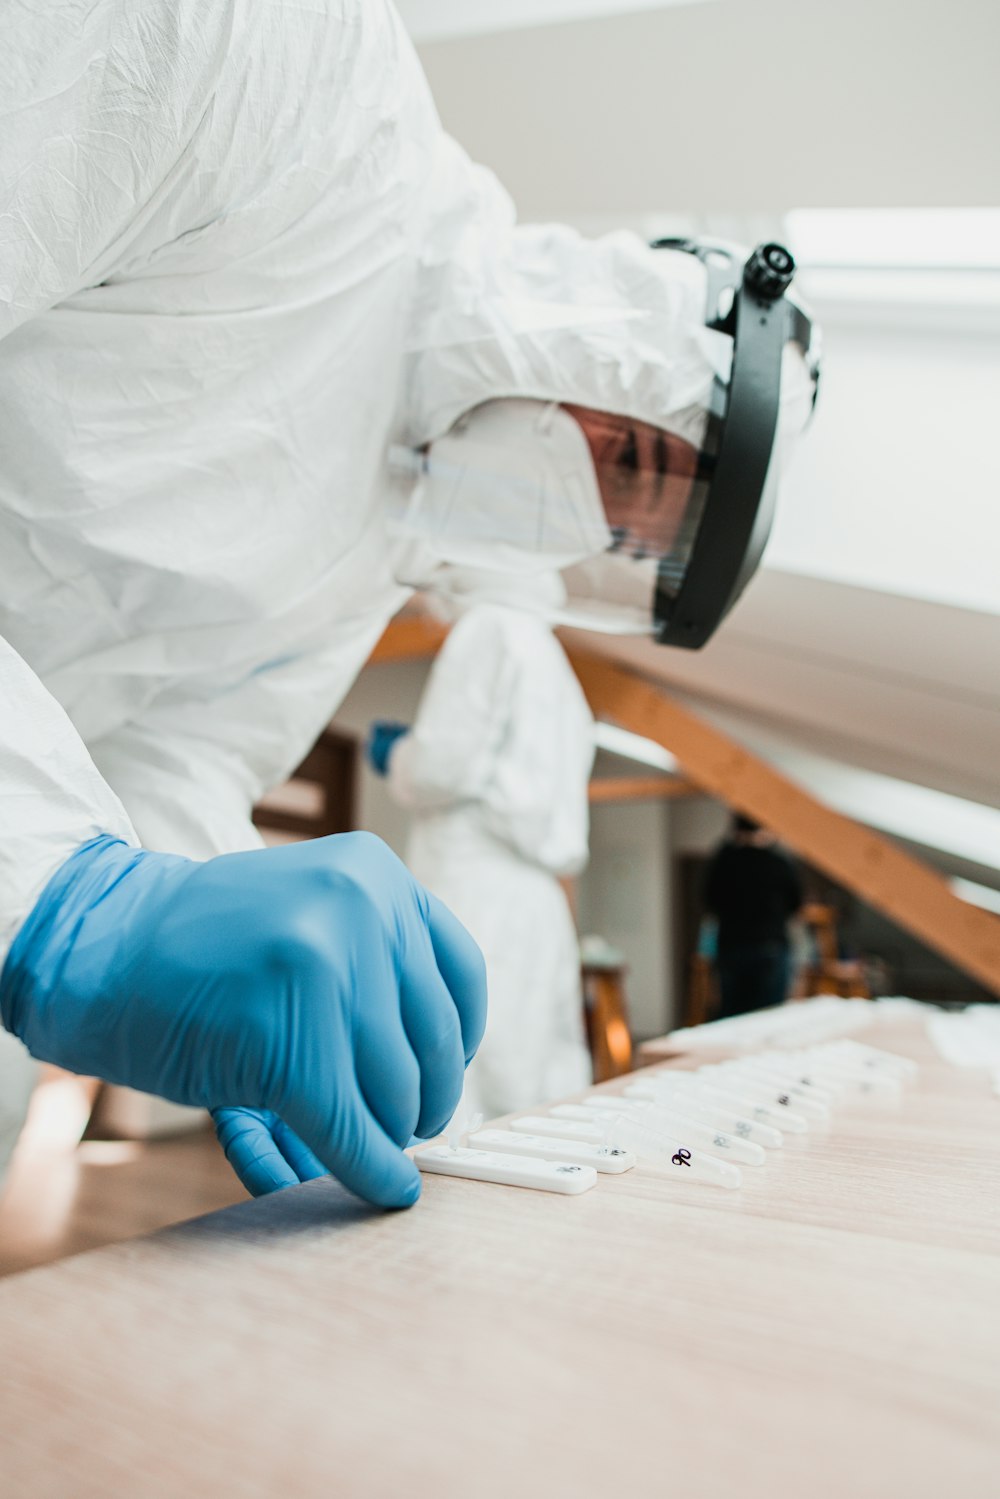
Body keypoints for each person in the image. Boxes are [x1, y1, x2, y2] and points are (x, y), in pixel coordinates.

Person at [0, 1, 816, 1206]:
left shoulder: (370, 559)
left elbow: (178, 759)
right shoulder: (297, 72)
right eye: (625, 463)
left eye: (613, 538)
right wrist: (62, 898)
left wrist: (205, 919)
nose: (574, 521)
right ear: (611, 330)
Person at [368, 572, 595, 1119]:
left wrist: (400, 754)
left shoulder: (489, 629)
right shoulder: (555, 661)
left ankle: (457, 1204)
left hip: (478, 886)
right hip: (538, 898)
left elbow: (441, 768)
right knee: (536, 1067)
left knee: (468, 1068)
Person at [703, 815, 804, 1019]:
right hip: (769, 946)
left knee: (732, 1015)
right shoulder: (777, 860)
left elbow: (708, 900)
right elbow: (795, 902)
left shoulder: (725, 860)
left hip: (732, 945)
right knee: (768, 1016)